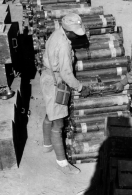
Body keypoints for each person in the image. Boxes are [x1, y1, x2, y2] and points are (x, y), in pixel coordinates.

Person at [40, 13, 90, 175]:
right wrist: (81, 88)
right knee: (59, 123)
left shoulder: (56, 33)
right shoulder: (64, 45)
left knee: (51, 113)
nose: (76, 35)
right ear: (68, 31)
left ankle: (47, 145)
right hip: (56, 82)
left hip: (48, 77)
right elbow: (67, 74)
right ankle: (62, 163)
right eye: (75, 32)